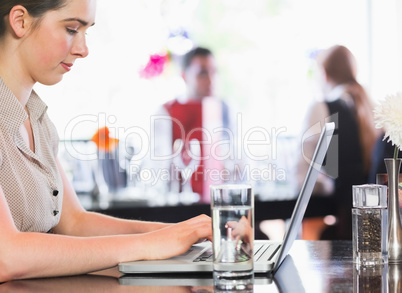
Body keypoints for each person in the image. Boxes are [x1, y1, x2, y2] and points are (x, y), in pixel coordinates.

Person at [0, 0, 211, 282]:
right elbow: (6, 256)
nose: (83, 49)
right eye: (72, 29)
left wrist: (178, 235)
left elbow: (74, 223)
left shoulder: (39, 121)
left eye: (85, 32)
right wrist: (149, 245)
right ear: (20, 21)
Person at [296, 45, 380, 240]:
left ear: (324, 74)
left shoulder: (322, 108)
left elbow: (302, 175)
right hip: (374, 223)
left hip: (342, 219)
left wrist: (327, 184)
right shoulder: (375, 110)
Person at [152, 47, 235, 202]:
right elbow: (159, 167)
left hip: (220, 200)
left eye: (214, 72)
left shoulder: (225, 109)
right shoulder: (166, 111)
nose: (211, 80)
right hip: (179, 204)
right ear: (184, 76)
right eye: (203, 73)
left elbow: (237, 161)